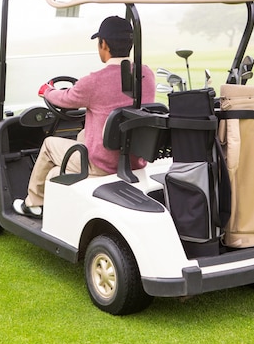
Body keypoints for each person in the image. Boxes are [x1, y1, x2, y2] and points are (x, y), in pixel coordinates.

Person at [13, 16, 156, 218]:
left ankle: (33, 203)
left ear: (103, 44)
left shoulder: (94, 82)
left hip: (102, 164)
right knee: (79, 138)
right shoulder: (146, 75)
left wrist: (47, 91)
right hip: (134, 158)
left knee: (48, 145)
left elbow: (64, 98)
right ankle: (55, 186)